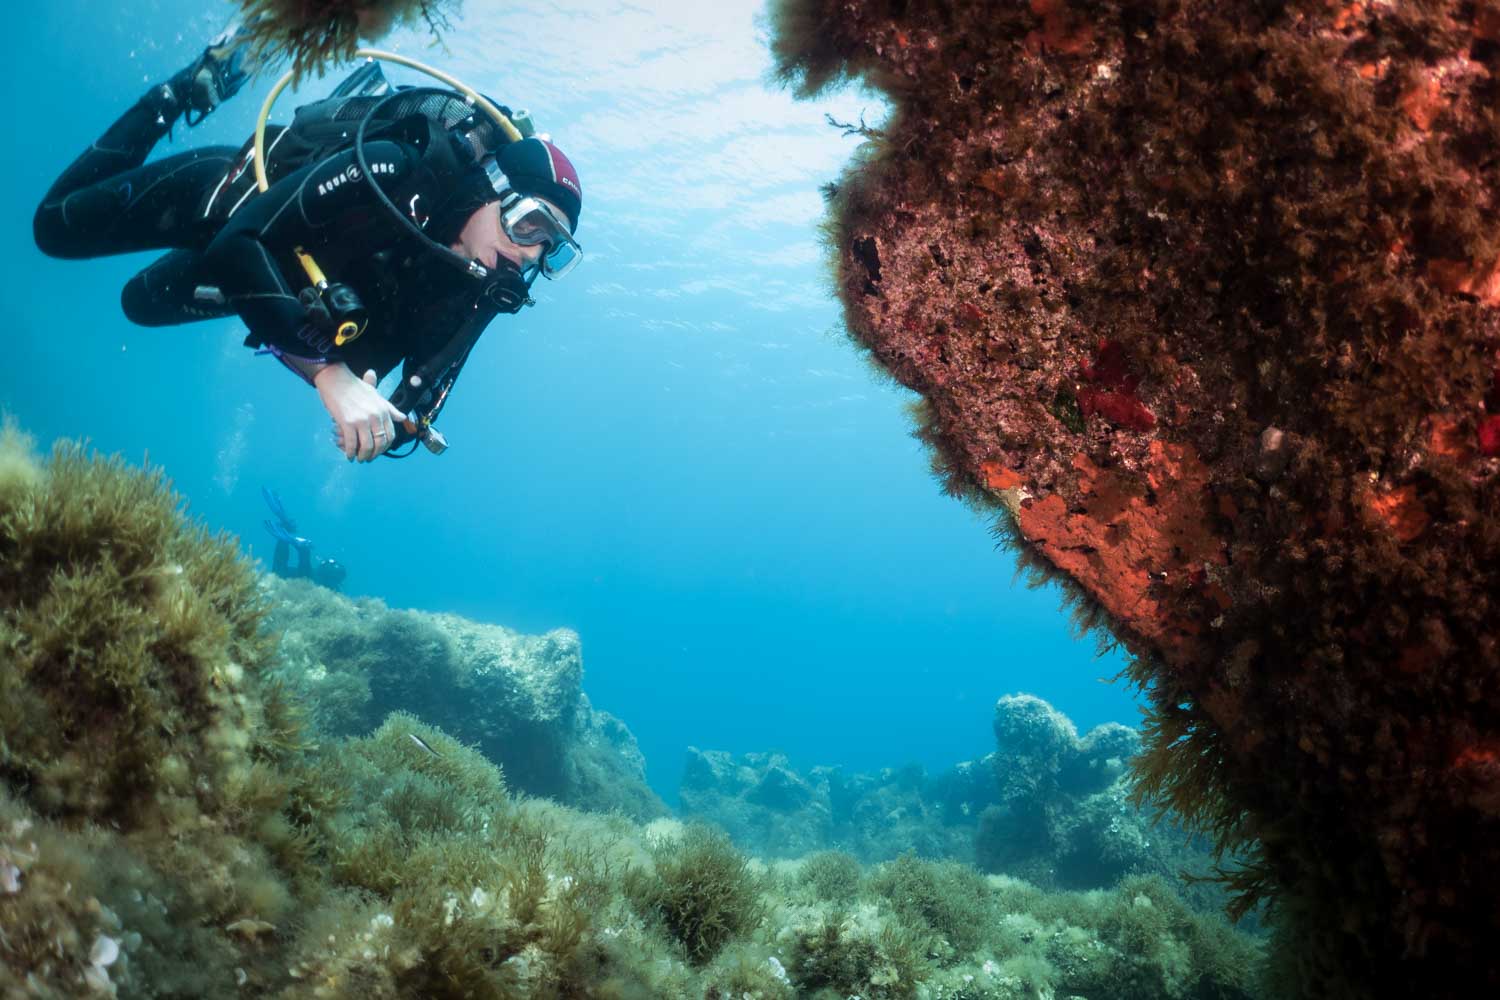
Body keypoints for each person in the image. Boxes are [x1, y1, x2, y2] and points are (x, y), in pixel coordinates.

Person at [33, 21, 583, 463]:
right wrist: (328, 374)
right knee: (54, 229)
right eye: (530, 223)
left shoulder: (475, 288)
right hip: (232, 199)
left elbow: (411, 401)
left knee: (141, 304)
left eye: (551, 250)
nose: (530, 253)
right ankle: (189, 87)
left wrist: (380, 425)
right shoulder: (399, 167)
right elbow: (236, 245)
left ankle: (259, 295)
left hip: (261, 273)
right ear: (493, 189)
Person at [262, 487, 347, 591]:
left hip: (312, 574)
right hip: (313, 577)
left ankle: (289, 531)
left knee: (284, 572)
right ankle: (297, 544)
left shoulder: (326, 582)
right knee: (281, 573)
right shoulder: (332, 588)